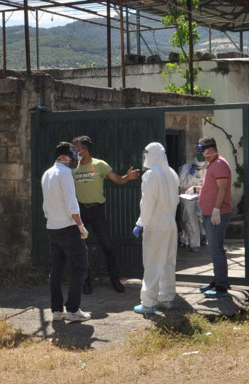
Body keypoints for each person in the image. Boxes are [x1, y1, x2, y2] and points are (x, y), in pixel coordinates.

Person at [71, 135, 140, 294]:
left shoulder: (100, 164)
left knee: (107, 246)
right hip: (80, 211)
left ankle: (115, 280)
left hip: (97, 210)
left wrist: (128, 177)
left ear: (85, 150)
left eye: (77, 148)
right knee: (81, 247)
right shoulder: (73, 168)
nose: (74, 151)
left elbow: (118, 180)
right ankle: (86, 282)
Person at [41, 142, 91, 323]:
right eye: (71, 154)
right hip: (68, 228)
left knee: (56, 270)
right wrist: (80, 226)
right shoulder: (65, 173)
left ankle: (56, 310)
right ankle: (73, 309)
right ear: (62, 156)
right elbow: (71, 203)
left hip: (52, 227)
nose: (74, 156)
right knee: (80, 267)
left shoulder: (47, 174)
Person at [132, 142, 180, 314]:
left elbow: (147, 201)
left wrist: (140, 222)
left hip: (155, 224)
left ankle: (148, 302)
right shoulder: (172, 173)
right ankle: (166, 298)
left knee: (152, 262)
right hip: (170, 223)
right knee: (168, 262)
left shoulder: (152, 174)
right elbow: (176, 199)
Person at [196, 137, 233, 298]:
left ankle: (221, 286)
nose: (201, 154)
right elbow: (212, 187)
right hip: (210, 214)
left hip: (216, 215)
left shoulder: (219, 164)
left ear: (210, 150)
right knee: (213, 249)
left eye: (202, 150)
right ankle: (217, 280)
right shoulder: (213, 164)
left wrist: (216, 209)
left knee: (217, 250)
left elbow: (223, 188)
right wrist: (197, 190)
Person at [178, 154, 206, 252]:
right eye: (197, 167)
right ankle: (194, 244)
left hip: (198, 196)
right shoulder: (185, 168)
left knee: (202, 216)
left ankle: (203, 238)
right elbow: (181, 184)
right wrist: (191, 177)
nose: (199, 169)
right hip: (186, 196)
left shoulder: (204, 170)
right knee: (190, 218)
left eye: (200, 168)